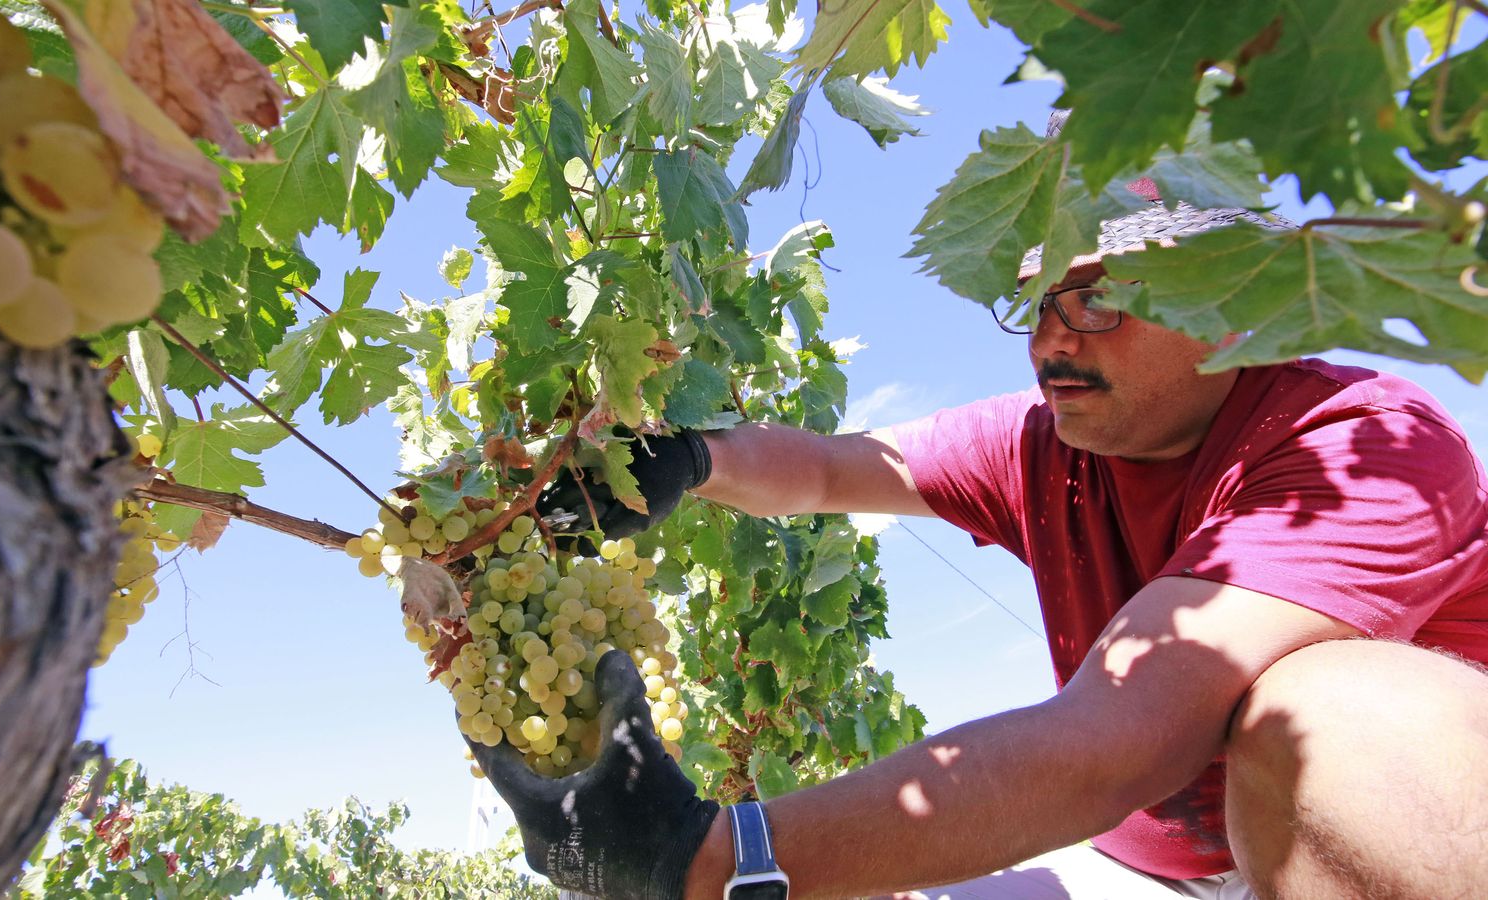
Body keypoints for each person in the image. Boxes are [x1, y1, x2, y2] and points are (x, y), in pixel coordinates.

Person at [474, 186, 1488, 899]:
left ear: (1227, 297)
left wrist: (713, 858)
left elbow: (1114, 743)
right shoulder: (1044, 443)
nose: (1054, 338)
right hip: (1136, 872)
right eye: (1035, 305)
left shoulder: (1362, 448)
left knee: (1330, 714)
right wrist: (694, 459)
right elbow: (832, 468)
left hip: (1364, 862)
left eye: (1096, 294)